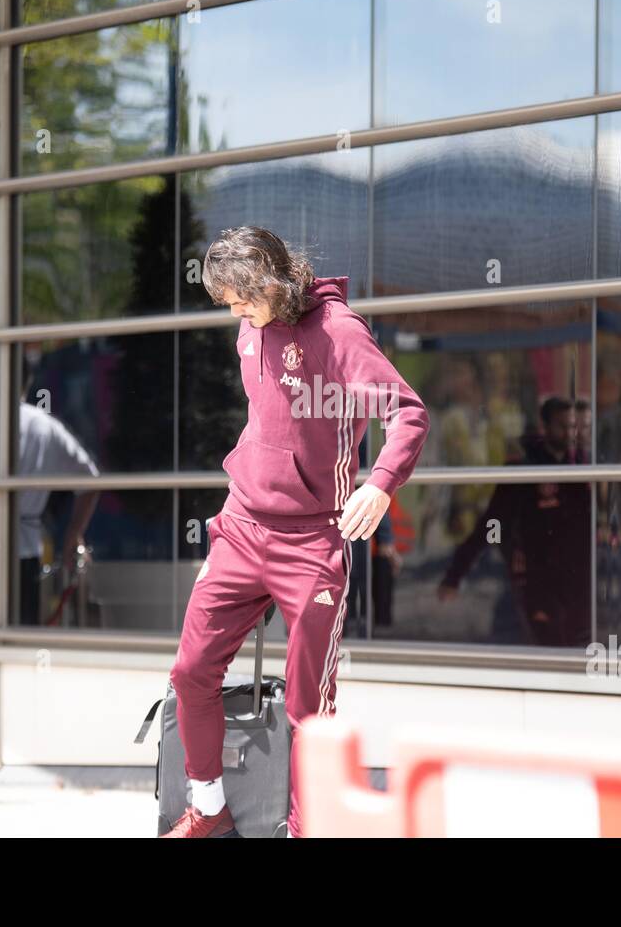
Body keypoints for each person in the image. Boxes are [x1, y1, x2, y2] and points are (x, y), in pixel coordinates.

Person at [162, 226, 430, 838]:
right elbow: (268, 420)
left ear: (271, 281)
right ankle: (208, 808)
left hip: (311, 542)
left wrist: (380, 482)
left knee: (311, 706)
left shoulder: (340, 333)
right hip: (241, 526)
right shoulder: (251, 328)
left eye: (239, 298)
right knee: (191, 670)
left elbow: (408, 411)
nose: (234, 312)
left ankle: (308, 827)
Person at [438, 397, 592, 646]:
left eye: (574, 427)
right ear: (545, 427)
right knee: (546, 645)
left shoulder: (583, 466)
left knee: (578, 644)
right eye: (562, 426)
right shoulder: (523, 471)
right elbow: (489, 524)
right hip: (535, 578)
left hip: (577, 579)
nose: (570, 433)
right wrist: (454, 575)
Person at [15, 359, 101, 625]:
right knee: (22, 631)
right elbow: (90, 479)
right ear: (27, 383)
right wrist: (73, 535)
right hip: (25, 550)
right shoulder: (43, 425)